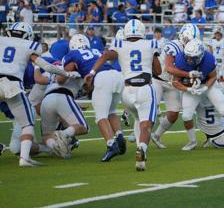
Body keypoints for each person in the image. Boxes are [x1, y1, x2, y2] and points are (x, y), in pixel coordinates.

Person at [0, 22, 80, 166]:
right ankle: (24, 159)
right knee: (27, 124)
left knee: (15, 146)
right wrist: (67, 73)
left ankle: (45, 148)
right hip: (12, 85)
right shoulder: (31, 48)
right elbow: (47, 68)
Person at [85, 19, 161, 171]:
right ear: (142, 30)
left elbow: (105, 56)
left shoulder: (119, 44)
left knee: (138, 119)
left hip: (127, 92)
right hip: (145, 88)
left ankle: (140, 158)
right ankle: (142, 149)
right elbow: (158, 71)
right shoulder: (150, 44)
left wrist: (92, 72)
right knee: (146, 124)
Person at [172, 38, 224, 151]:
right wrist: (188, 89)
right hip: (192, 88)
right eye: (187, 56)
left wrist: (205, 88)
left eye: (192, 58)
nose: (188, 60)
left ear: (200, 56)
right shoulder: (180, 59)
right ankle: (192, 141)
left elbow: (213, 77)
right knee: (186, 116)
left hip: (208, 85)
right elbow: (175, 82)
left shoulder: (208, 59)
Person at [64, 34, 126, 162]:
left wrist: (72, 72)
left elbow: (65, 73)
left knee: (100, 116)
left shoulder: (72, 54)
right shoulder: (96, 50)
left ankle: (111, 145)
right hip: (117, 75)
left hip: (102, 78)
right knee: (111, 112)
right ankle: (119, 136)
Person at [151, 24, 202, 151]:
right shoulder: (173, 45)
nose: (190, 42)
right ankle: (139, 134)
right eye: (188, 39)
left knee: (173, 114)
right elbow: (169, 68)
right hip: (157, 80)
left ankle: (156, 136)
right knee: (151, 109)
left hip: (172, 82)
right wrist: (187, 74)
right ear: (183, 36)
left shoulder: (192, 48)